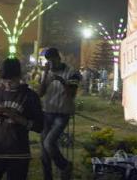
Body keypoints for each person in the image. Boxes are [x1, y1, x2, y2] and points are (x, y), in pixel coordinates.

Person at [0, 58, 44, 179]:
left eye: (12, 80)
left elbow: (39, 126)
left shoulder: (29, 96)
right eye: (4, 80)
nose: (8, 83)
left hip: (19, 154)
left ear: (19, 76)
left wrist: (18, 118)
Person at [38, 47, 81, 180]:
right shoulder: (46, 73)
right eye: (48, 61)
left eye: (53, 60)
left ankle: (65, 166)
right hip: (46, 112)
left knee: (49, 143)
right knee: (44, 152)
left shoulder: (72, 72)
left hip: (62, 113)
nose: (51, 63)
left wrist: (61, 80)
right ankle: (48, 177)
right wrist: (45, 74)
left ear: (58, 58)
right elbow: (40, 93)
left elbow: (72, 94)